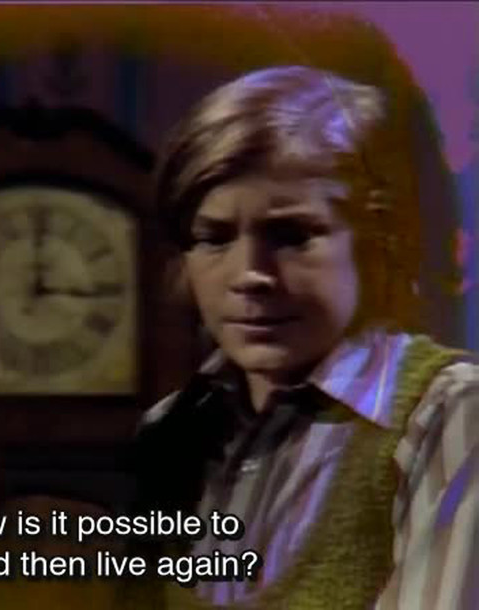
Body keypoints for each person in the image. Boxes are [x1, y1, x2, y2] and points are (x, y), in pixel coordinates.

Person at [132, 66, 478, 609]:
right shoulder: (172, 432)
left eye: (291, 235)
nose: (251, 273)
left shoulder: (447, 417)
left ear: (376, 241)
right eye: (214, 238)